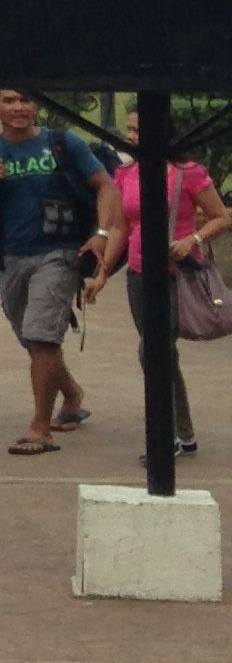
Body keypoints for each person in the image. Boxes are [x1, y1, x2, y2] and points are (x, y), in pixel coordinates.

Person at [0, 91, 117, 454]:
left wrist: (101, 234)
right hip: (10, 258)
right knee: (32, 338)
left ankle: (40, 427)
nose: (19, 107)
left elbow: (105, 185)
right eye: (9, 101)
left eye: (26, 100)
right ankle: (71, 394)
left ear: (37, 106)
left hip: (59, 254)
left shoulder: (62, 144)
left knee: (42, 337)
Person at [83, 111, 227, 459]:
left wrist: (192, 238)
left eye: (139, 129)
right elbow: (121, 227)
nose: (132, 137)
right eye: (130, 130)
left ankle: (167, 435)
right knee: (160, 353)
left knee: (155, 351)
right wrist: (102, 273)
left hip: (176, 273)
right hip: (138, 273)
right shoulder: (127, 173)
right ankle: (183, 431)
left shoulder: (187, 174)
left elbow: (222, 216)